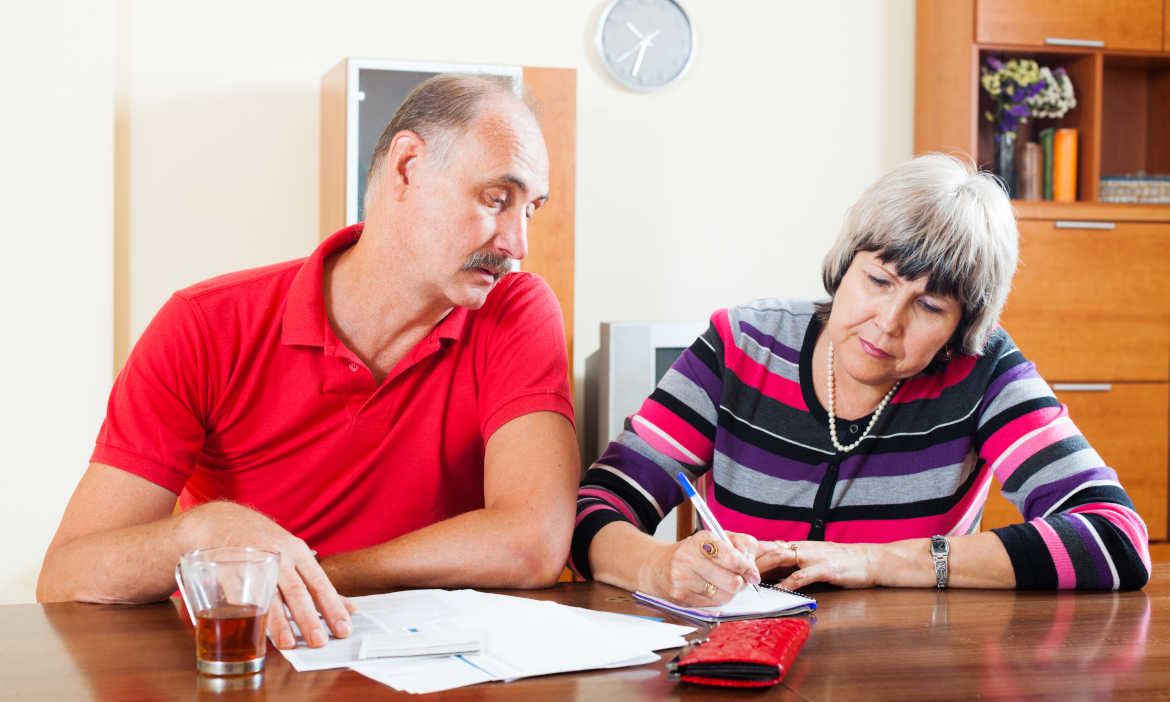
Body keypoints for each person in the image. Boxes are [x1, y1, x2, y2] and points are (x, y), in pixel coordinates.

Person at [37, 75, 580, 649]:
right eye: (497, 199)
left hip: (440, 669)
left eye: (532, 210)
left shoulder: (515, 309)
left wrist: (298, 577)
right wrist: (204, 533)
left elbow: (533, 542)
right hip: (251, 664)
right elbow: (66, 577)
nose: (517, 243)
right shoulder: (204, 324)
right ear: (408, 167)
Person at [571, 154, 1151, 604]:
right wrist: (661, 566)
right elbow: (596, 509)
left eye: (930, 307)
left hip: (907, 671)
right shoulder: (741, 347)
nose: (888, 323)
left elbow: (1115, 538)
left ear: (960, 327)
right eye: (878, 280)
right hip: (734, 663)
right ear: (845, 264)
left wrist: (881, 562)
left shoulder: (985, 371)